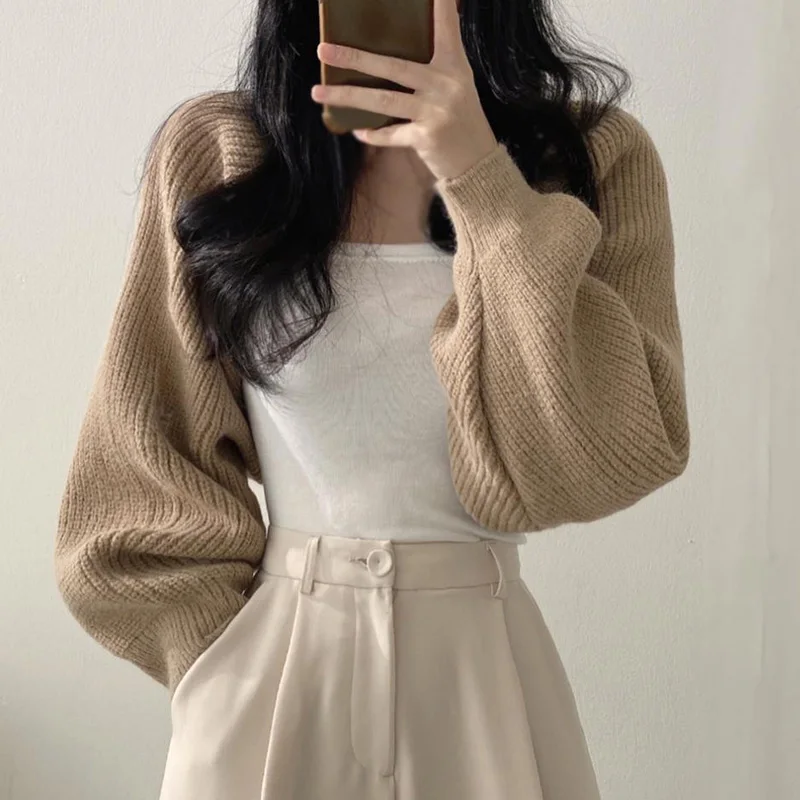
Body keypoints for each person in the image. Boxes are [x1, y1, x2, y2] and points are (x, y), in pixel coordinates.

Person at [54, 0, 691, 797]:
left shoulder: (595, 158)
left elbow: (606, 457)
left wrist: (480, 175)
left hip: (484, 676)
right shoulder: (222, 153)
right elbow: (137, 468)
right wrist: (220, 666)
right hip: (270, 681)